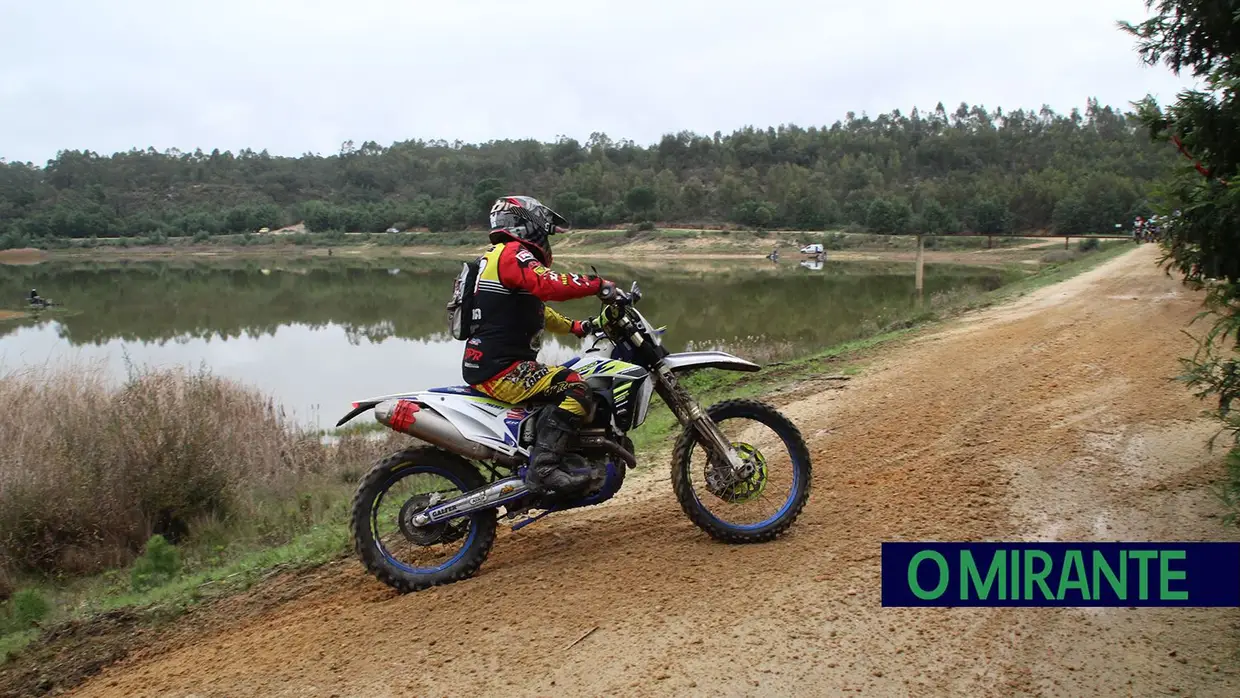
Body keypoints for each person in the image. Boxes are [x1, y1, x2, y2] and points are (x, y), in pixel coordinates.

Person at [463, 195, 617, 495]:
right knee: (577, 388)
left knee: (562, 381)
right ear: (526, 224)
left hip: (491, 363)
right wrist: (598, 285)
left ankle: (552, 452)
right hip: (502, 369)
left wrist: (578, 327)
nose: (545, 239)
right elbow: (547, 285)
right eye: (544, 230)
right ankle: (544, 469)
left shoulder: (495, 257)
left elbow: (537, 309)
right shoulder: (512, 254)